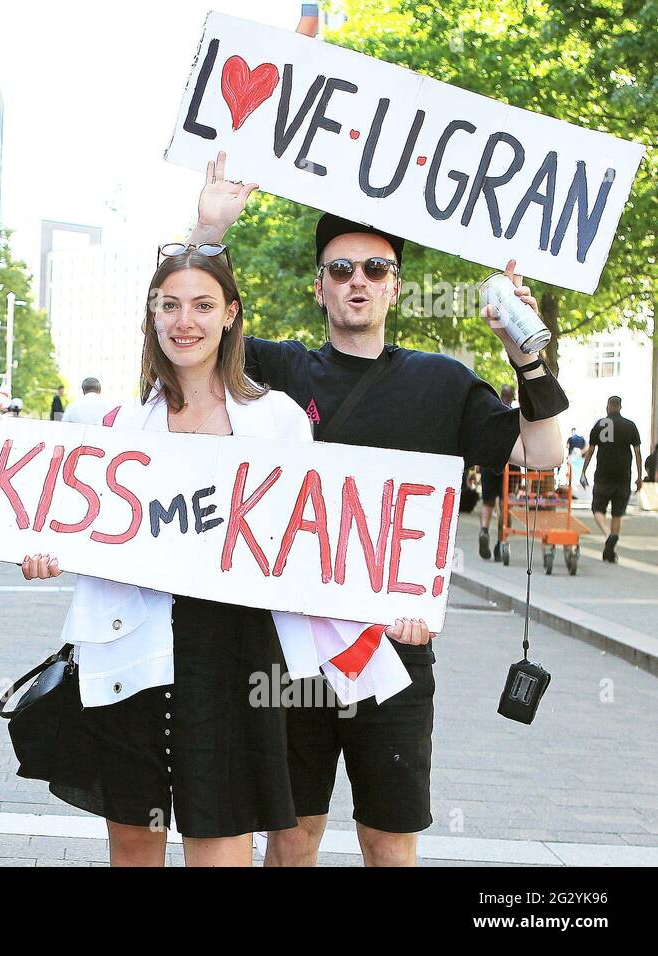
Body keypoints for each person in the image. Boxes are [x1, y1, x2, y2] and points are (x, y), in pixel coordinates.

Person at [188, 152, 567, 867]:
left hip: (396, 649)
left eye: (373, 270)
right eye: (340, 269)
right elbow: (192, 337)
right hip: (293, 654)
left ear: (396, 287)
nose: (356, 281)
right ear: (318, 287)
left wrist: (526, 355)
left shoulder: (444, 382)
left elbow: (540, 455)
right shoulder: (276, 372)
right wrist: (209, 233)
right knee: (291, 841)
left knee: (389, 845)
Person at [18, 246, 431, 867]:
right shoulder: (117, 428)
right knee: (133, 845)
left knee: (223, 846)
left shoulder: (278, 421)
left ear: (230, 315)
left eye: (204, 305)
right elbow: (80, 530)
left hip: (236, 658)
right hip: (134, 649)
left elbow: (318, 542)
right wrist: (48, 552)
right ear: (153, 318)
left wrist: (390, 605)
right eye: (170, 305)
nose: (186, 320)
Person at [579, 396, 642, 563]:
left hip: (603, 475)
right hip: (623, 476)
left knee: (597, 509)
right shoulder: (630, 425)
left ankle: (608, 535)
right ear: (620, 407)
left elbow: (591, 451)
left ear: (608, 406)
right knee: (617, 513)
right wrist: (639, 477)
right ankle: (610, 550)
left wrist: (583, 471)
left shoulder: (600, 424)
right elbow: (637, 453)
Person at [477, 385, 517, 560]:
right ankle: (501, 542)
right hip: (508, 465)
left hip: (487, 463)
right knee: (504, 505)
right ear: (513, 396)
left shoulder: (490, 412)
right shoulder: (515, 416)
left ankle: (484, 529)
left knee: (488, 502)